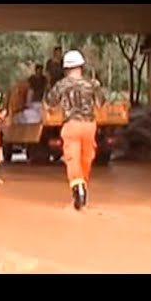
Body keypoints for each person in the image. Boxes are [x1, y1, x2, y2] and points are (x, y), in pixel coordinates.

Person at [46, 50, 105, 210]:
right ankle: (83, 186)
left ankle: (77, 188)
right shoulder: (92, 84)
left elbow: (50, 102)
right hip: (89, 125)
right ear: (81, 66)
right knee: (87, 158)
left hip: (71, 125)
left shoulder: (61, 85)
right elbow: (101, 103)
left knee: (72, 158)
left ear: (66, 68)